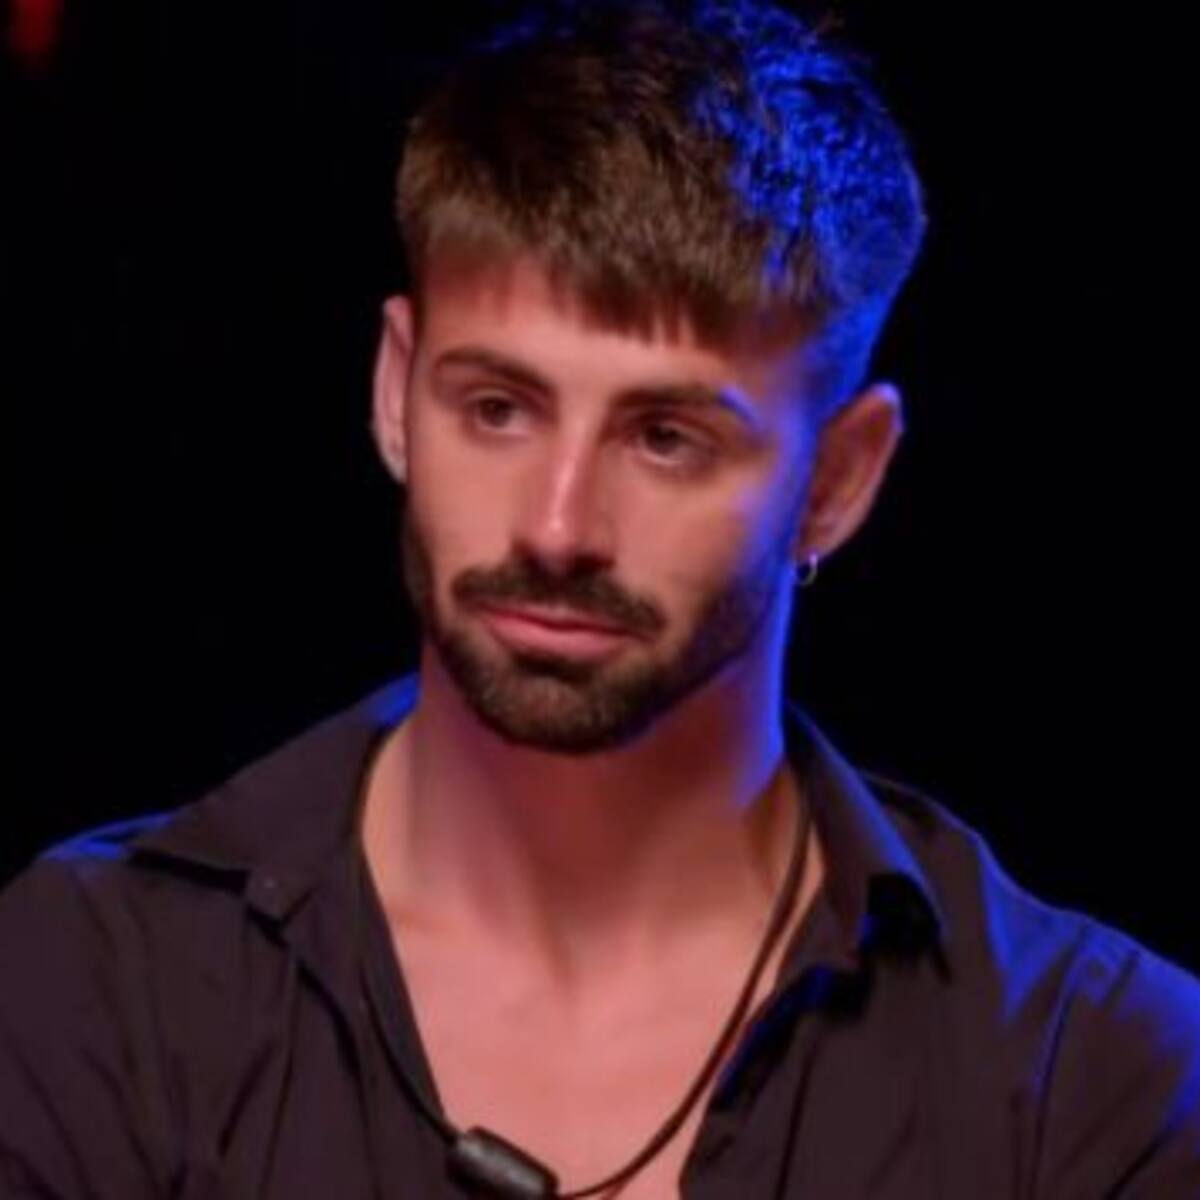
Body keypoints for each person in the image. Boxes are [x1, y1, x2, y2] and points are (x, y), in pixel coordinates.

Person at [2, 1, 1197, 1197]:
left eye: (665, 437)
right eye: (497, 409)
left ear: (837, 480)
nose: (557, 527)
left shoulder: (1093, 1076)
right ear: (395, 391)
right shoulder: (95, 984)